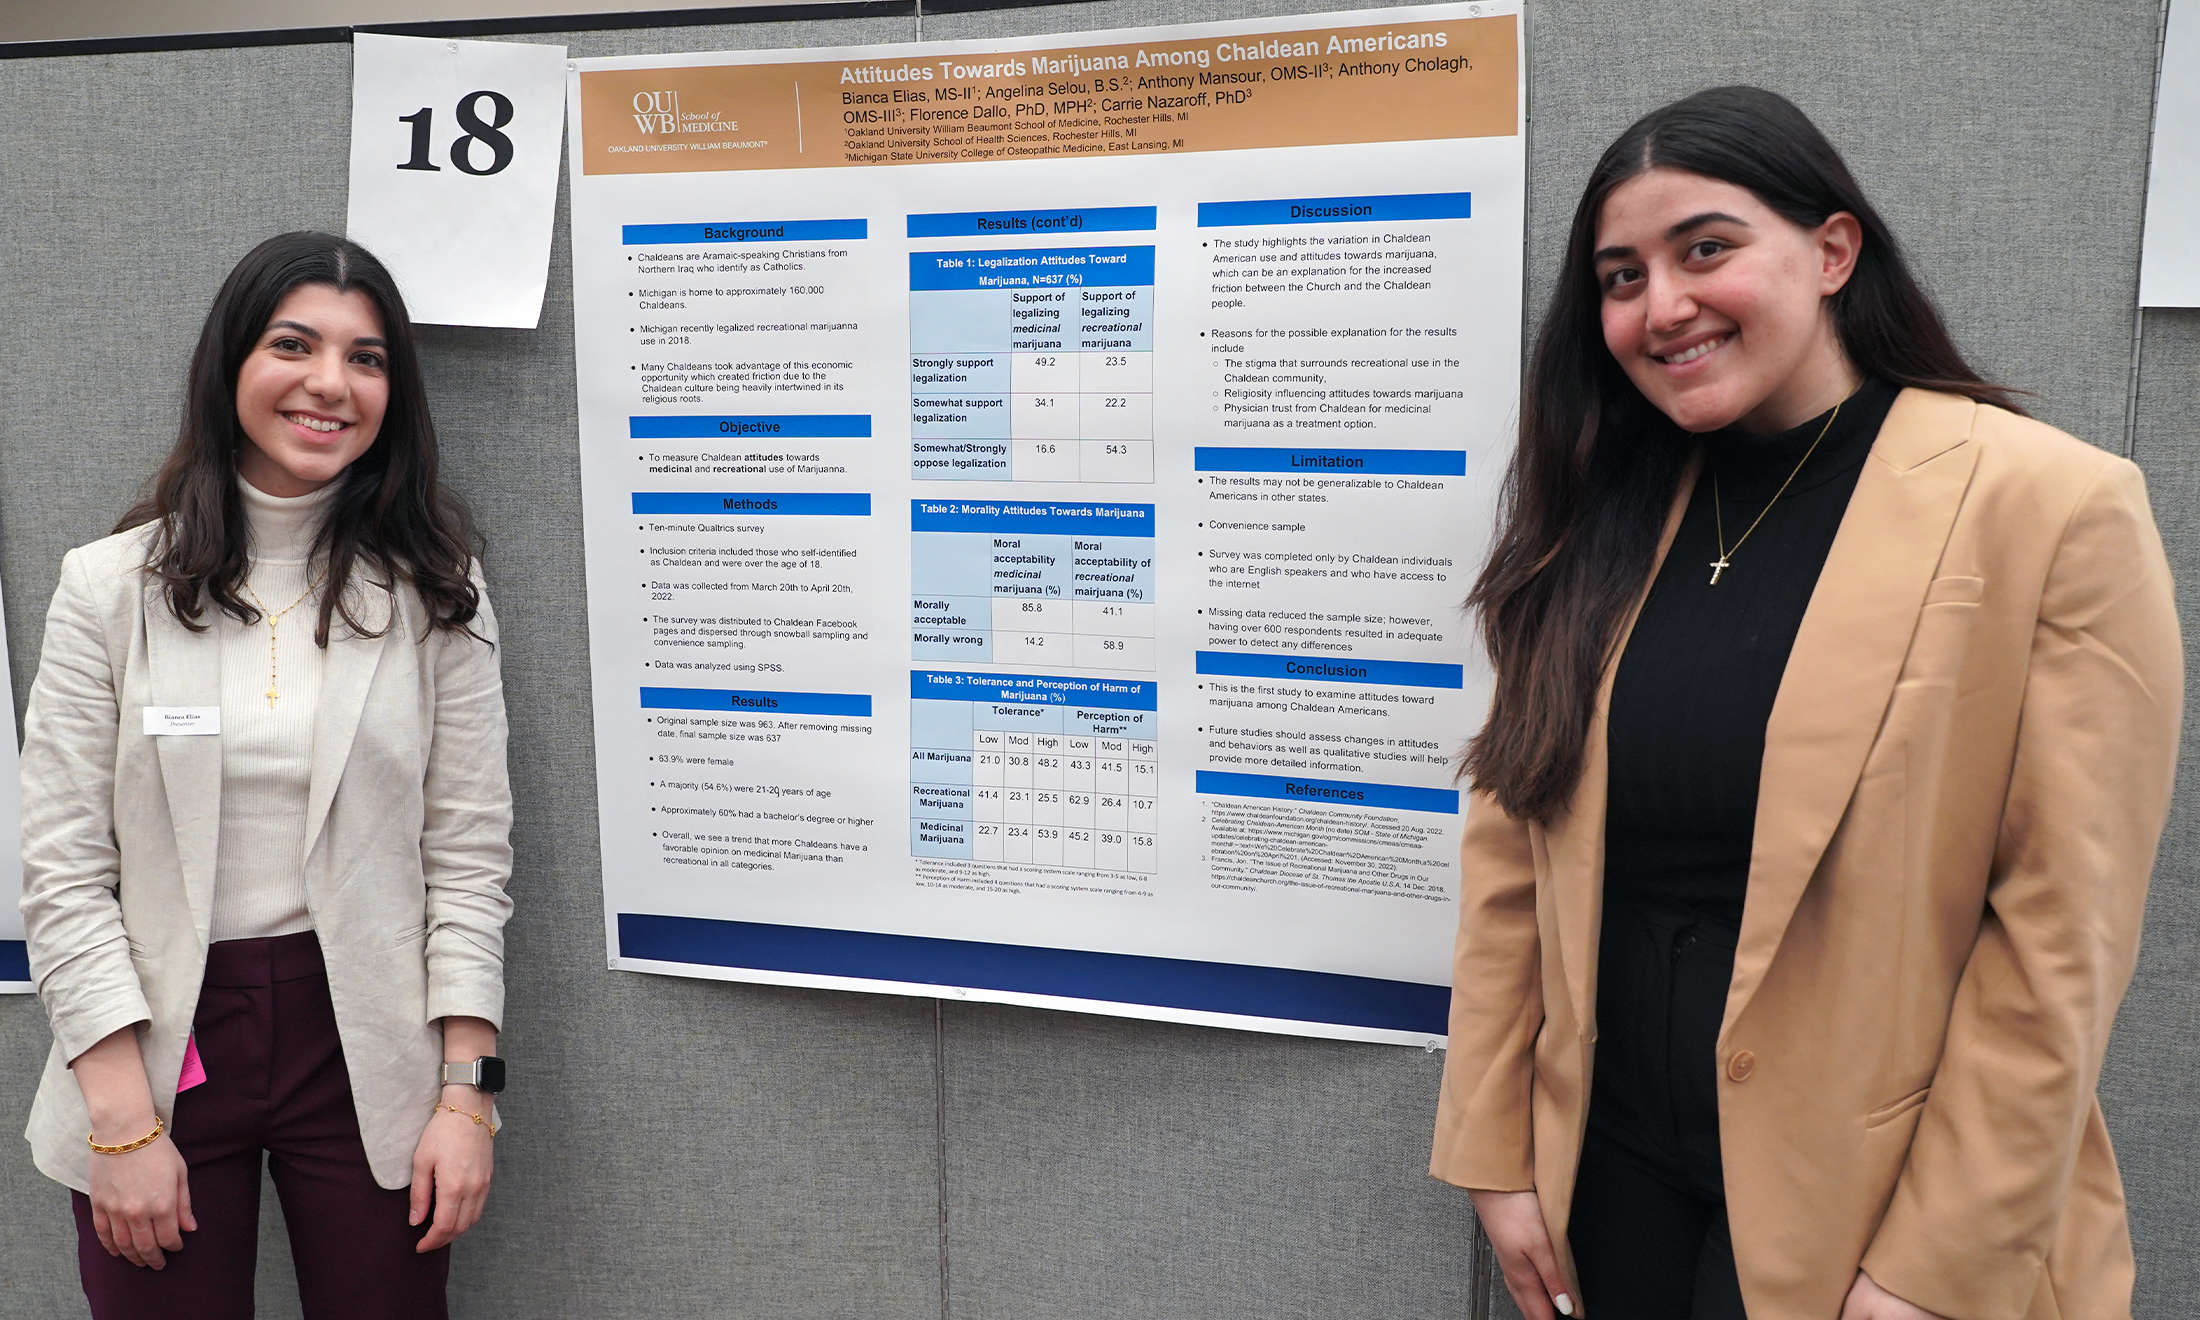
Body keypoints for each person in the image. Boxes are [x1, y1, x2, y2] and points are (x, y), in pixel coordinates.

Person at [1430, 86, 2179, 1320]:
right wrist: (1493, 1153)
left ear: (1833, 251)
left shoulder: (2047, 505)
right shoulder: (1607, 506)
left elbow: (2062, 940)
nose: (1661, 305)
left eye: (1705, 250)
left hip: (1878, 1211)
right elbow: (1513, 844)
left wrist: (1929, 1271)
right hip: (1605, 1182)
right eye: (1620, 277)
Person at [18, 231, 514, 1318]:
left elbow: (468, 861)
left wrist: (466, 1097)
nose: (331, 383)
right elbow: (59, 872)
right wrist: (123, 1121)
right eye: (296, 344)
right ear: (233, 362)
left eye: (368, 358)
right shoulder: (110, 590)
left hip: (370, 1050)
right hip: (157, 1045)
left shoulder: (438, 590)